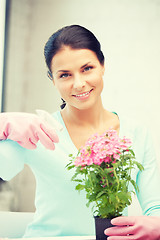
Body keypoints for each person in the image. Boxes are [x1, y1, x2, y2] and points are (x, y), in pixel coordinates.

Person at [0, 25, 160, 239]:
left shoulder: (137, 134)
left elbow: (155, 210)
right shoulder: (36, 131)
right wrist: (2, 125)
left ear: (102, 65)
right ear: (52, 79)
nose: (79, 84)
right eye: (65, 75)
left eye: (87, 68)